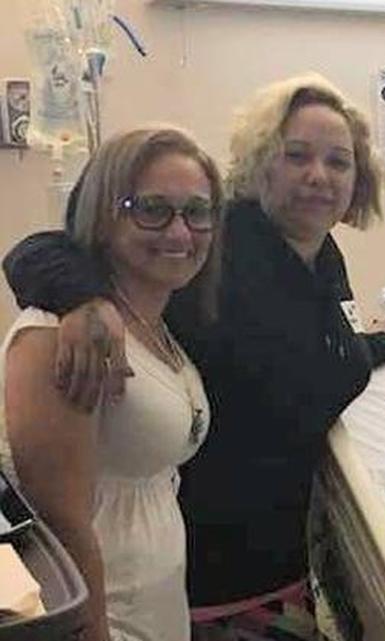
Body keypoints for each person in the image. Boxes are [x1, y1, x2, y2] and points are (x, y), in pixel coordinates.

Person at [2, 74, 385, 640]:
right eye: (297, 155)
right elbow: (39, 250)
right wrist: (83, 300)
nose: (319, 175)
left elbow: (320, 352)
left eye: (339, 161)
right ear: (261, 162)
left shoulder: (324, 260)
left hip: (278, 561)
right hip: (199, 576)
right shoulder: (212, 241)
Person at [0, 125, 224, 641]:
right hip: (102, 616)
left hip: (157, 604)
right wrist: (92, 630)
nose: (179, 232)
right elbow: (60, 520)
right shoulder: (64, 336)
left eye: (197, 212)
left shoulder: (158, 322)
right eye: (151, 209)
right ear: (103, 214)